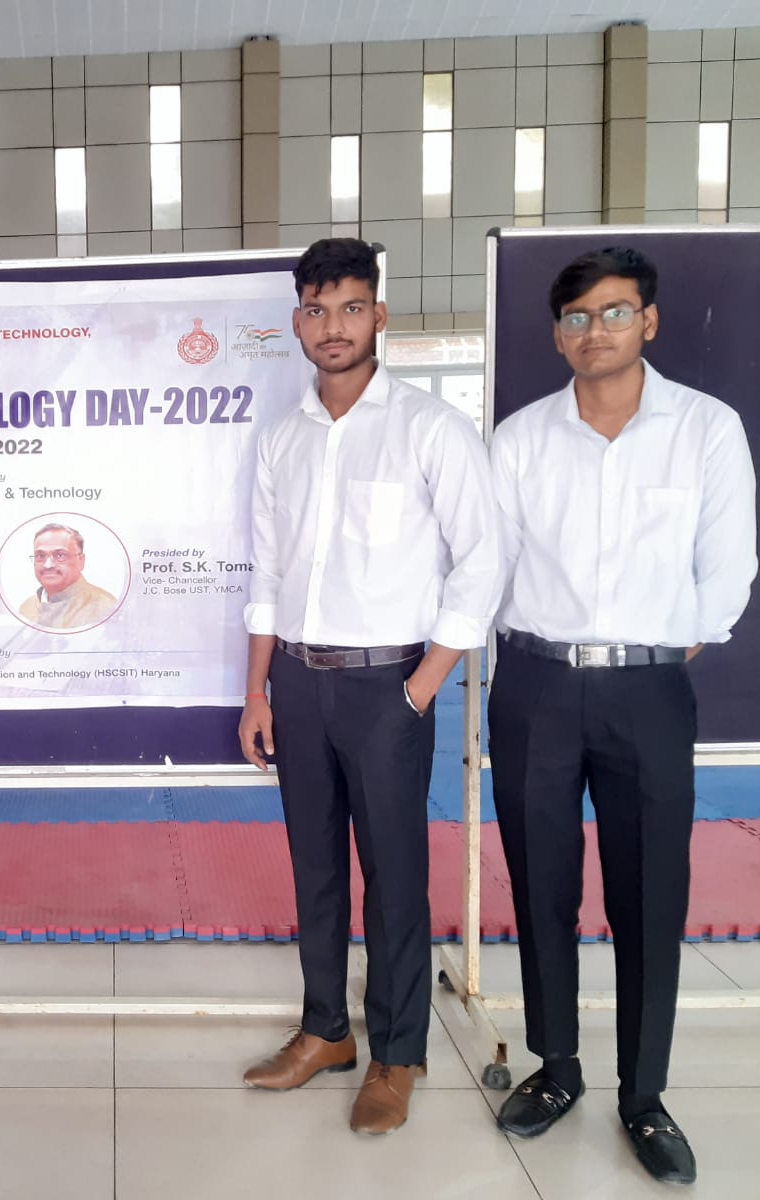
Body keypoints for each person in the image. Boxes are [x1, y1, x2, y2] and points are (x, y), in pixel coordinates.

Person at [488, 246, 757, 1184]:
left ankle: (643, 1095)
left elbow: (726, 571)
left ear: (647, 321)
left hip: (647, 691)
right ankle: (556, 1067)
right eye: (574, 317)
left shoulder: (705, 429)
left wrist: (652, 650)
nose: (592, 331)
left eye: (611, 312)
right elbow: (490, 566)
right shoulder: (520, 439)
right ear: (556, 334)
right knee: (541, 886)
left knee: (648, 894)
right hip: (534, 684)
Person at [237, 238, 500, 1135]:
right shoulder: (282, 439)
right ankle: (324, 1031)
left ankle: (396, 1052)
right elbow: (266, 571)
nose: (332, 326)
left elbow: (481, 562)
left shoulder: (429, 428)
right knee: (313, 868)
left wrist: (422, 686)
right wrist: (257, 690)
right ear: (296, 322)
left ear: (378, 315)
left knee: (393, 876)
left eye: (350, 307)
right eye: (315, 310)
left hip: (389, 683)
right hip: (297, 682)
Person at [16, 523, 119, 630]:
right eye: (40, 556)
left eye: (60, 555)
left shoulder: (105, 608)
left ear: (81, 560)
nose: (48, 565)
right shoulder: (26, 608)